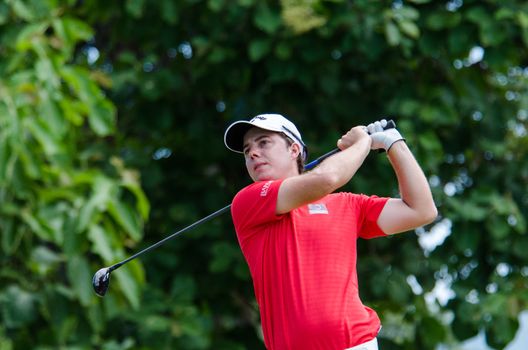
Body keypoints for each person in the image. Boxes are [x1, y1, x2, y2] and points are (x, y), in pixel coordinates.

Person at [224, 113, 437, 350]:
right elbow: (327, 177)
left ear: (294, 150)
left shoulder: (348, 204)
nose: (253, 153)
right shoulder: (248, 201)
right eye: (246, 150)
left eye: (263, 142)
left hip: (357, 345)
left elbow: (421, 210)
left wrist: (393, 143)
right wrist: (362, 143)